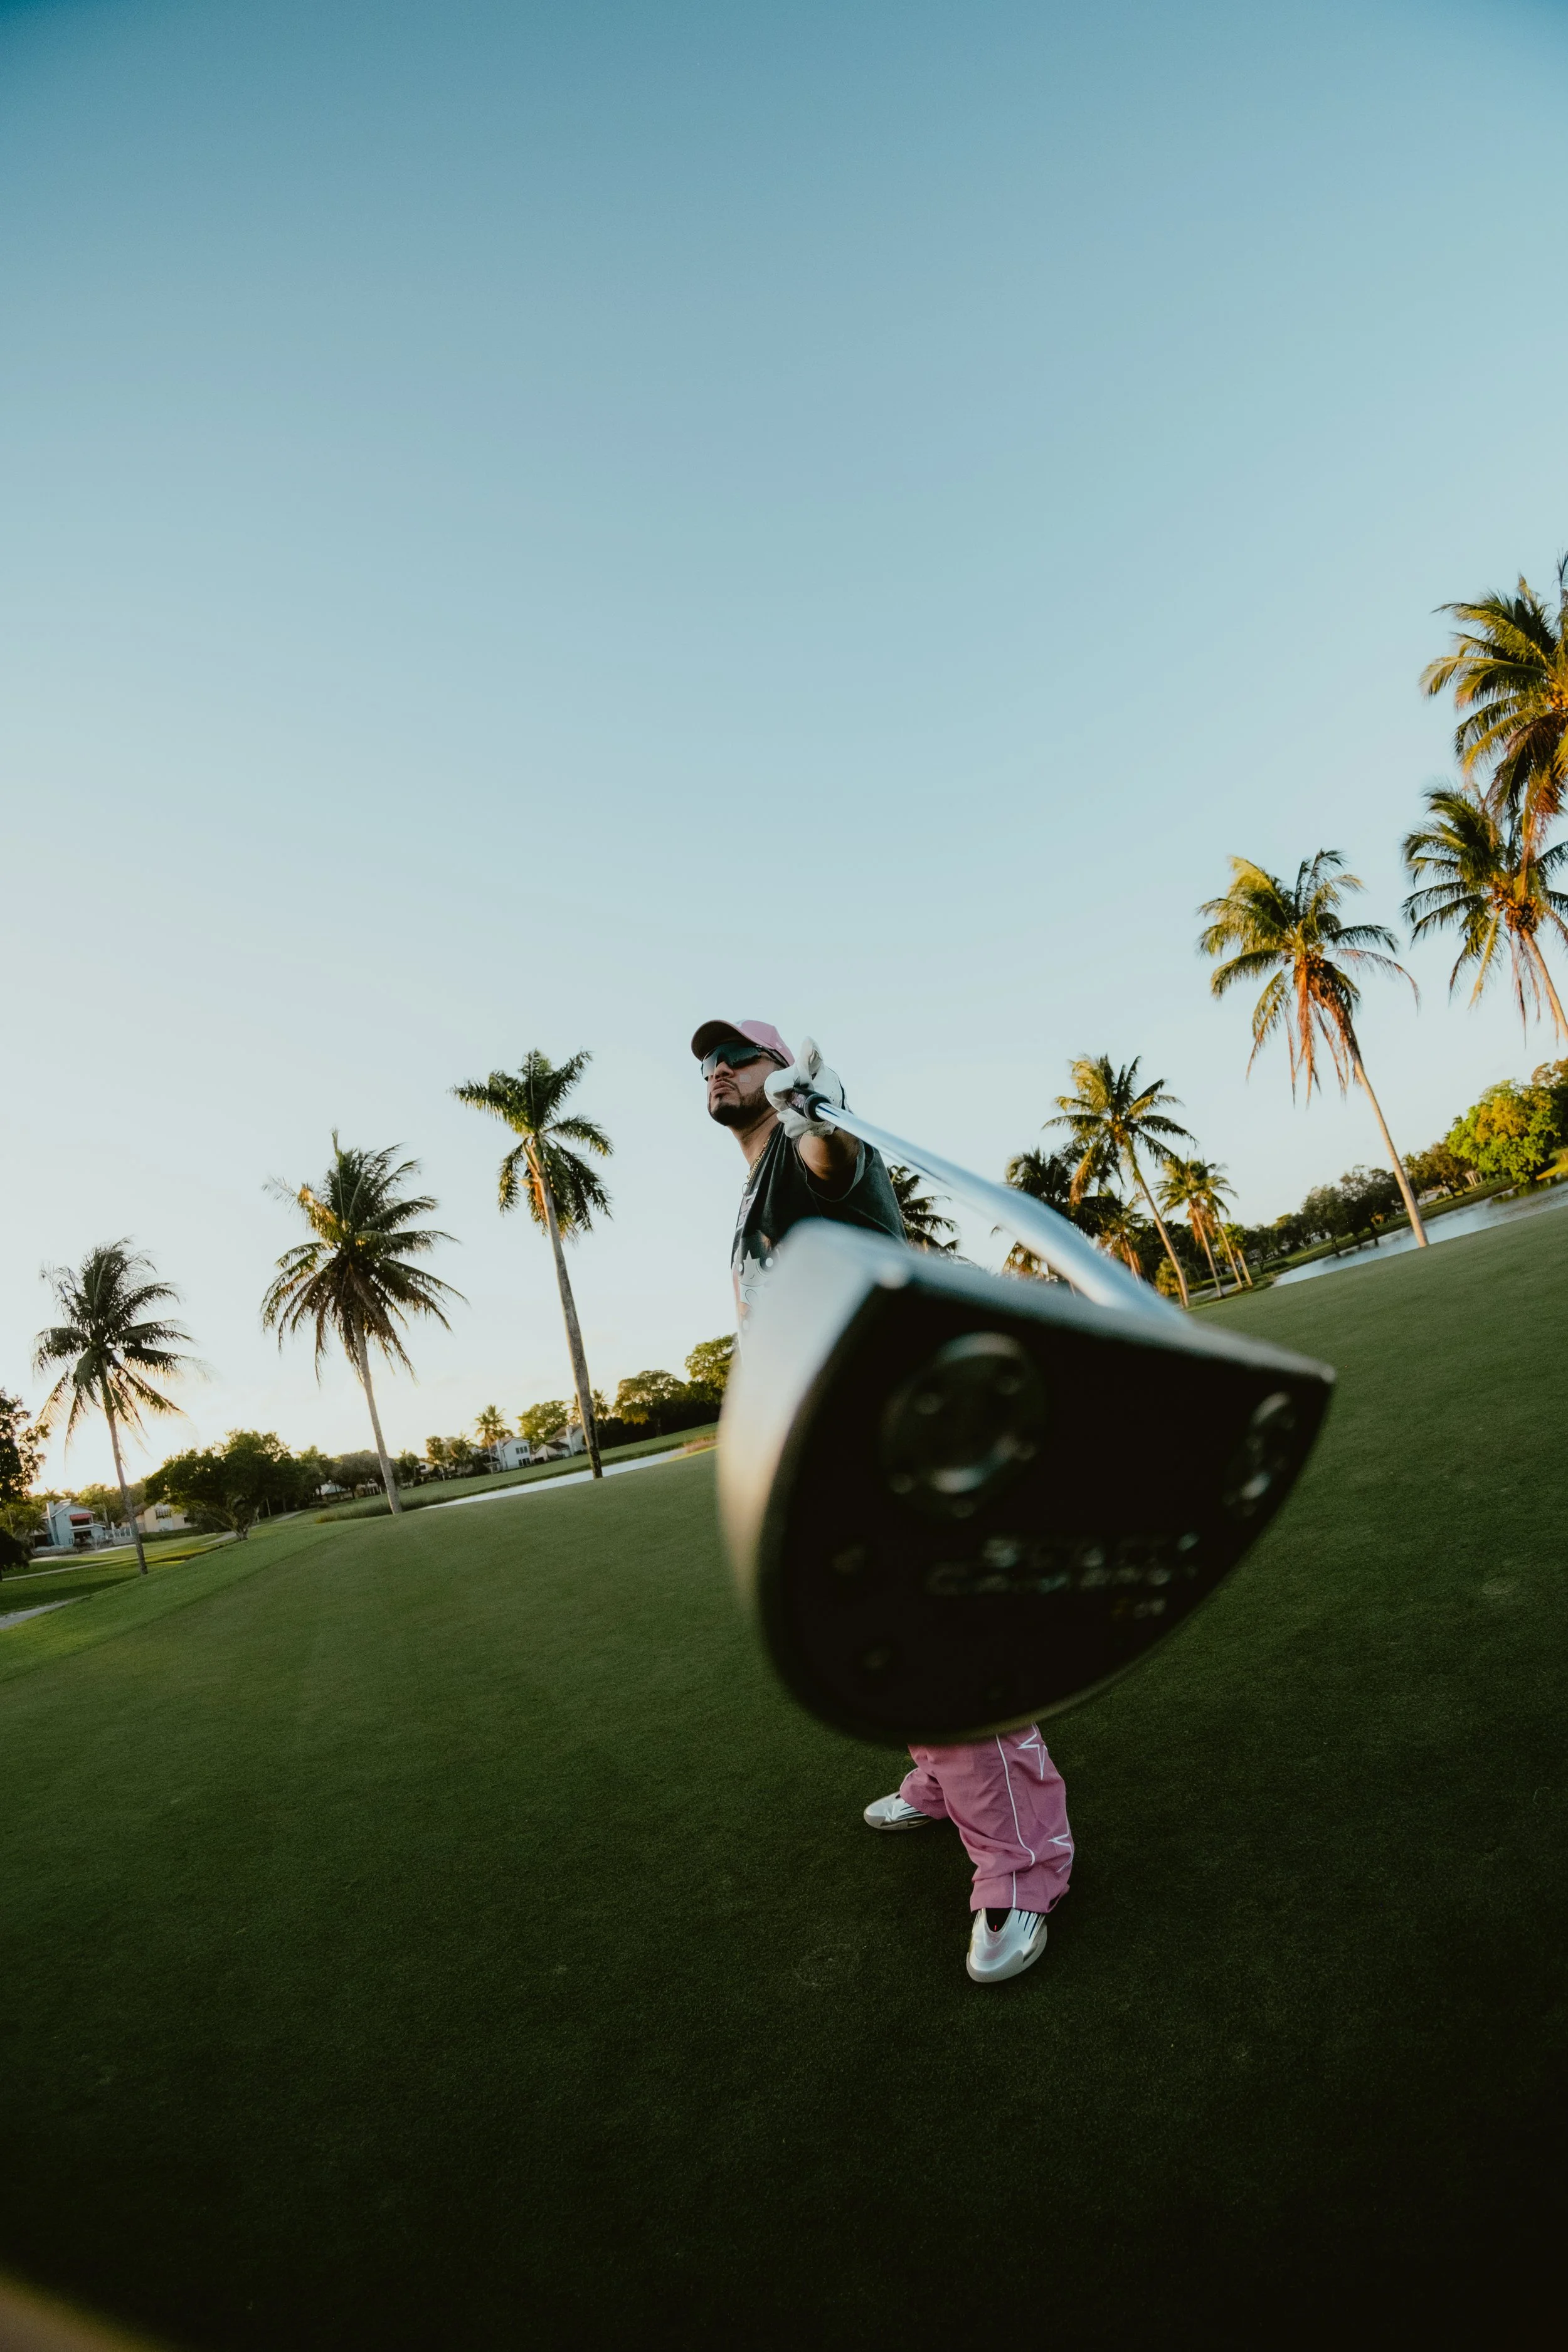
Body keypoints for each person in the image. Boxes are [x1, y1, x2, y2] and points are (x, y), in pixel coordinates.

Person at [692, 1017, 1074, 1985]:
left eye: (738, 1055)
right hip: (827, 1447)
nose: (719, 1070)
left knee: (951, 1655)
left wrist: (820, 1107)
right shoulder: (751, 1192)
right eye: (708, 1062)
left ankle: (1022, 1868)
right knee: (883, 1634)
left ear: (781, 1071)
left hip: (896, 1438)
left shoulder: (804, 1145)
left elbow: (837, 1157)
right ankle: (943, 1786)